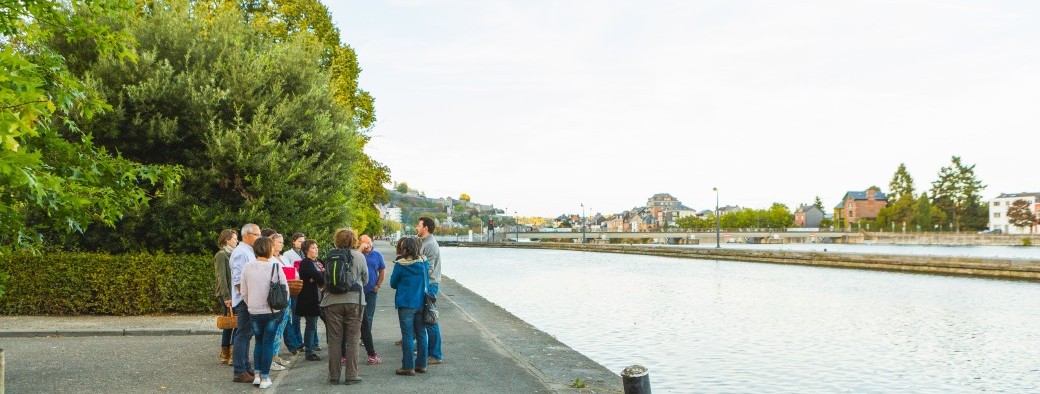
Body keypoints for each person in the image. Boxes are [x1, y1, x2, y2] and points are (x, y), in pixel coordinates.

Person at [240, 236, 289, 389]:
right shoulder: (275, 266)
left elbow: (243, 291)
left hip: (254, 311)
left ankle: (257, 375)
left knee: (258, 342)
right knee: (268, 342)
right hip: (272, 311)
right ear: (269, 249)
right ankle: (266, 378)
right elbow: (285, 289)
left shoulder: (247, 266)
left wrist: (251, 305)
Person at [320, 229, 368, 385]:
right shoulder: (360, 257)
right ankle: (351, 375)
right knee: (353, 339)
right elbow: (366, 280)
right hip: (355, 302)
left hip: (332, 302)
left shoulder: (330, 256)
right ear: (353, 241)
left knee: (334, 340)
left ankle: (333, 376)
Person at [389, 236, 429, 376]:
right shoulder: (424, 263)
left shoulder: (400, 265)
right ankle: (422, 365)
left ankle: (408, 366)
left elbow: (393, 284)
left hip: (405, 303)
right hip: (421, 303)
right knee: (421, 334)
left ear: (406, 249)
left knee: (407, 336)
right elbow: (427, 282)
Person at [230, 223, 261, 383]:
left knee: (247, 334)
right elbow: (238, 280)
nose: (259, 238)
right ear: (247, 235)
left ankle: (245, 367)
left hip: (247, 298)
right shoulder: (242, 253)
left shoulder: (247, 251)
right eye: (257, 234)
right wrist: (248, 299)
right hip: (244, 300)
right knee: (243, 334)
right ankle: (239, 371)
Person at [417, 216, 443, 365]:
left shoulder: (431, 245)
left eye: (419, 225)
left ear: (425, 228)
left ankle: (435, 355)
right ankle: (427, 350)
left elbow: (429, 269)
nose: (417, 228)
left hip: (430, 285)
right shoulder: (423, 242)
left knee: (430, 319)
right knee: (424, 318)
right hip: (426, 284)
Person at [358, 234, 386, 365]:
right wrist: (359, 250)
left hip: (371, 291)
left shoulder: (377, 255)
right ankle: (359, 336)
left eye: (369, 243)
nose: (367, 246)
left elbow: (382, 270)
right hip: (357, 291)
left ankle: (365, 338)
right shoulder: (357, 254)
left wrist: (378, 285)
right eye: (364, 243)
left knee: (368, 316)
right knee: (357, 316)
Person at [296, 239, 325, 361]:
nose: (316, 249)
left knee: (326, 322)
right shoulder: (306, 263)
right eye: (313, 247)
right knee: (311, 325)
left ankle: (315, 346)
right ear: (307, 250)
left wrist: (319, 277)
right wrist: (319, 277)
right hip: (310, 298)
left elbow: (323, 275)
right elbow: (320, 277)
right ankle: (309, 351)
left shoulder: (318, 261)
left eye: (317, 247)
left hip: (321, 297)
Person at [213, 228, 238, 365]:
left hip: (233, 293)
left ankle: (227, 353)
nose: (237, 241)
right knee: (233, 323)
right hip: (227, 294)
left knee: (231, 323)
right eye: (234, 239)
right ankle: (230, 354)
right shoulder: (222, 255)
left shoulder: (232, 254)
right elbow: (221, 277)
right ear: (227, 240)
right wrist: (227, 296)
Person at [268, 233, 293, 370]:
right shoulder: (270, 259)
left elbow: (293, 273)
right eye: (279, 242)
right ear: (271, 243)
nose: (281, 245)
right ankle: (271, 356)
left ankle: (276, 354)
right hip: (278, 296)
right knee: (275, 327)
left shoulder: (283, 258)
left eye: (283, 242)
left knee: (282, 326)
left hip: (287, 294)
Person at [282, 233, 306, 354]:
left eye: (303, 241)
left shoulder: (304, 253)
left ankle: (299, 341)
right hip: (293, 287)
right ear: (293, 242)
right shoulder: (287, 254)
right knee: (292, 315)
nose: (302, 243)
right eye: (299, 241)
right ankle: (295, 342)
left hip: (302, 286)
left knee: (297, 317)